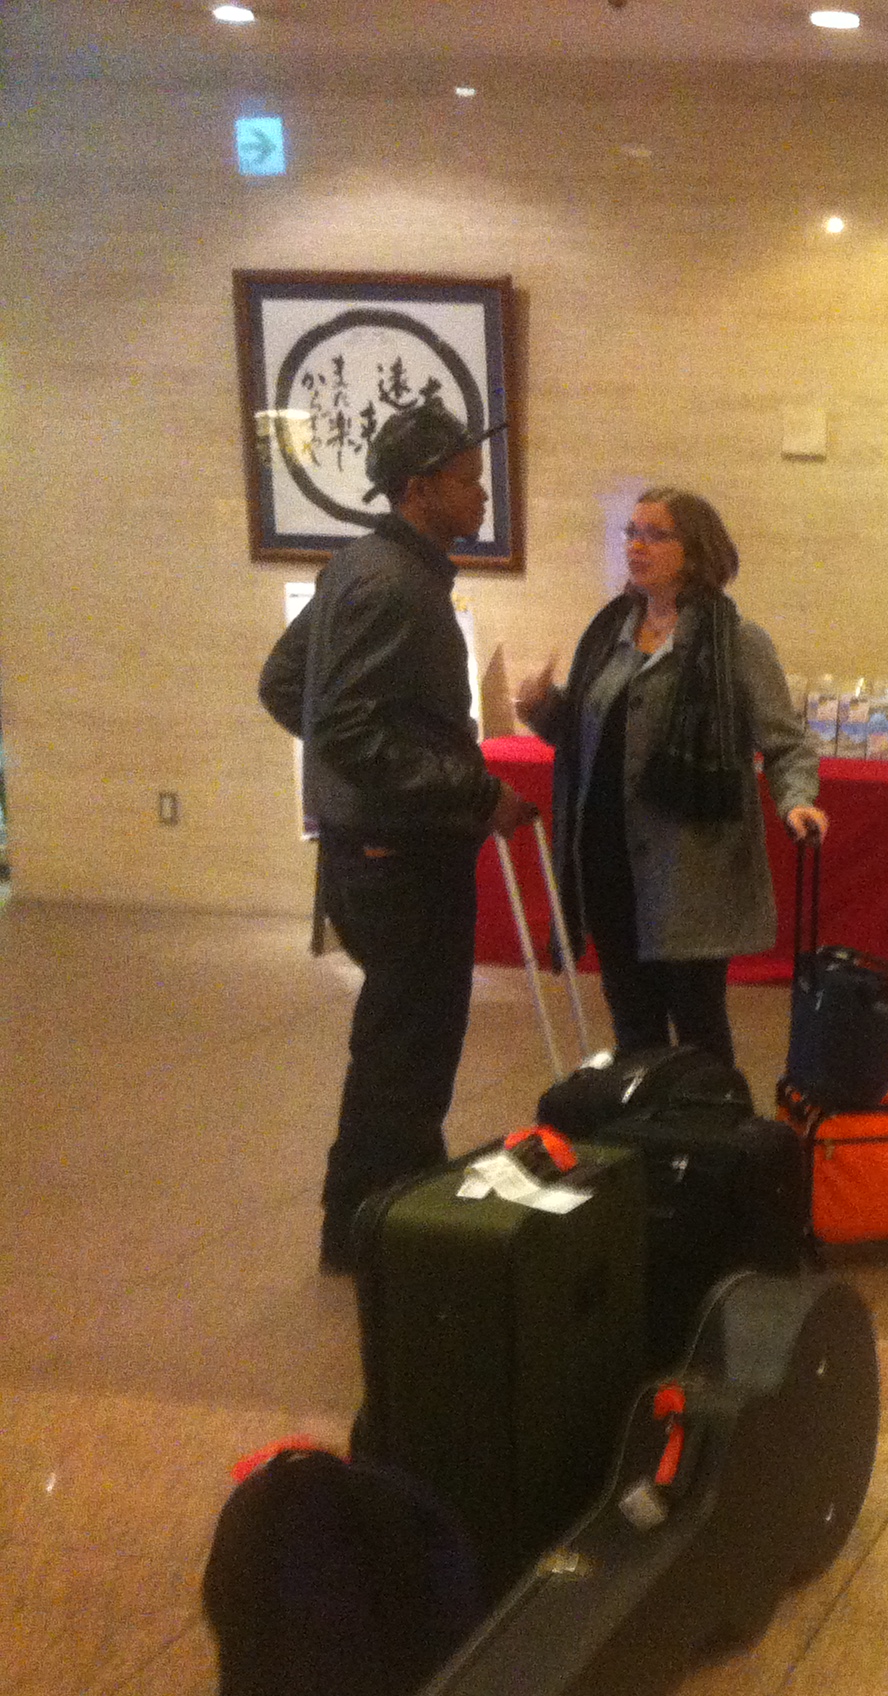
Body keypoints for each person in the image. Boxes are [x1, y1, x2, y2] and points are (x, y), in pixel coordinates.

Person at [258, 400, 536, 1275]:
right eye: (468, 481)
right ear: (420, 490)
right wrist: (474, 789)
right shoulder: (393, 585)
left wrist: (354, 784)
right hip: (400, 856)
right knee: (405, 1051)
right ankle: (368, 1234)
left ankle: (396, 1218)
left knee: (403, 1044)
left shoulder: (364, 566)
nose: (482, 495)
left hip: (373, 848)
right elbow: (342, 724)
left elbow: (286, 686)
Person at [514, 489, 823, 1068]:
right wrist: (542, 709)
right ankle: (648, 1123)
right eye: (631, 533)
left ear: (697, 550)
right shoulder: (610, 633)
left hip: (689, 870)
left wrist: (797, 801)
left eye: (656, 535)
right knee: (633, 1021)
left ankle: (711, 1123)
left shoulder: (736, 642)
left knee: (698, 1023)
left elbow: (786, 744)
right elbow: (587, 740)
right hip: (606, 861)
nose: (637, 546)